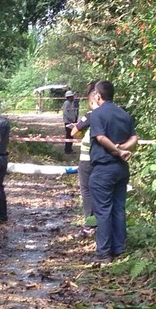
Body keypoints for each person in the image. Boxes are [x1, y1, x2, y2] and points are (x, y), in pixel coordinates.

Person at [88, 79, 138, 263]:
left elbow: (100, 137)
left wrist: (117, 150)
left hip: (104, 168)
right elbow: (134, 137)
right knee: (118, 208)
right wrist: (124, 149)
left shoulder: (97, 114)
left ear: (98, 96)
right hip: (121, 169)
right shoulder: (124, 114)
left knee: (103, 211)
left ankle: (103, 253)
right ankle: (120, 248)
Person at [70, 82, 98, 235]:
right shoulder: (117, 113)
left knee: (87, 192)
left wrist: (82, 134)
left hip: (87, 160)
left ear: (93, 100)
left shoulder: (90, 115)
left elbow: (74, 132)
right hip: (107, 160)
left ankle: (91, 224)